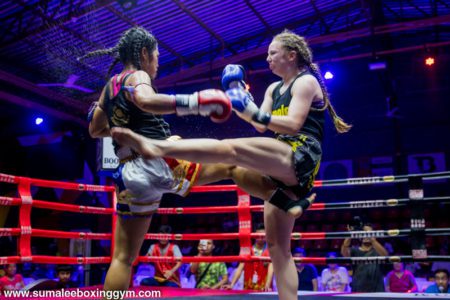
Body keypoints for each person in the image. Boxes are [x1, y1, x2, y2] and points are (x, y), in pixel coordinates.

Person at [110, 29, 350, 300]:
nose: (268, 58)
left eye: (273, 53)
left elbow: (293, 124)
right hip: (281, 164)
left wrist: (250, 109)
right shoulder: (273, 88)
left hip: (301, 153)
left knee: (230, 149)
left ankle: (158, 147)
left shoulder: (305, 82)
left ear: (291, 55)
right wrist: (238, 98)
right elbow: (259, 124)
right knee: (278, 249)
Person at [83, 26, 266, 294]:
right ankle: (281, 198)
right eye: (156, 56)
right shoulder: (138, 75)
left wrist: (124, 129)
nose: (157, 63)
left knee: (123, 258)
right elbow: (145, 100)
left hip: (129, 176)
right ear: (144, 53)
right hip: (155, 160)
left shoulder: (109, 87)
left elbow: (95, 130)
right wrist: (195, 102)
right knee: (233, 163)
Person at [224, 223, 274, 291]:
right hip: (248, 288)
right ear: (254, 235)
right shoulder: (246, 250)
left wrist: (267, 285)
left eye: (263, 235)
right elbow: (240, 268)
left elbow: (271, 269)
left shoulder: (271, 251)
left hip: (264, 288)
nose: (261, 237)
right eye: (258, 235)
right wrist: (232, 285)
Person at [341, 223, 388, 292]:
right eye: (364, 233)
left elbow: (385, 256)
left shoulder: (378, 250)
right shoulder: (355, 250)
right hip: (358, 290)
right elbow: (344, 253)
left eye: (368, 233)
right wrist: (350, 234)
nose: (366, 235)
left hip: (376, 290)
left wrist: (372, 239)